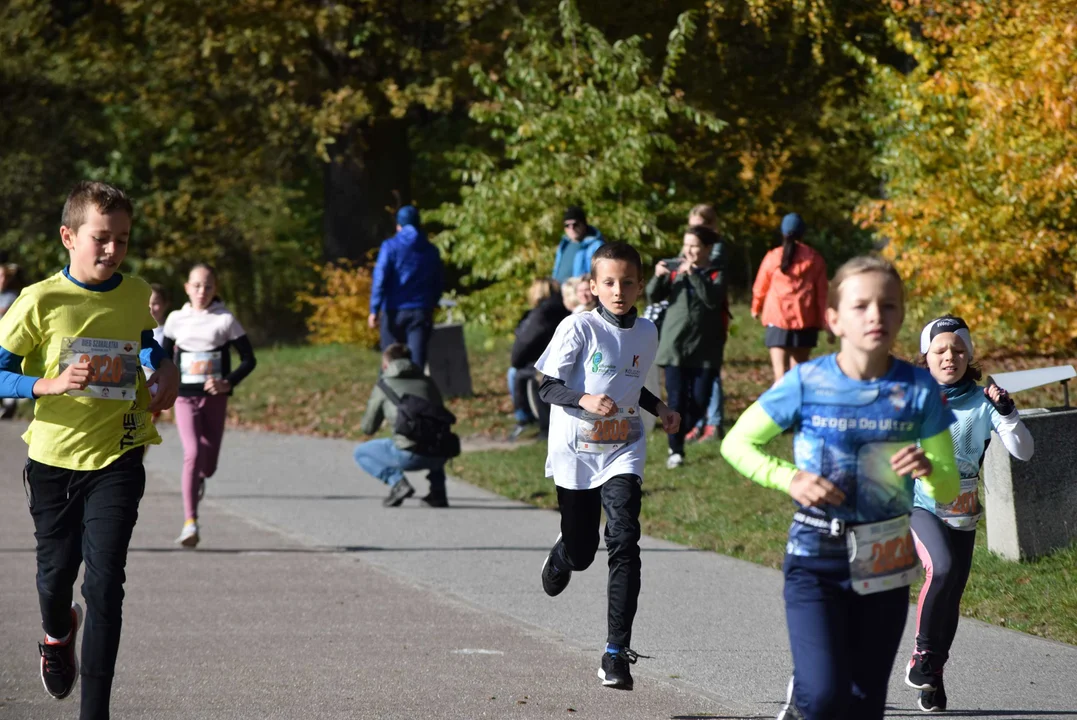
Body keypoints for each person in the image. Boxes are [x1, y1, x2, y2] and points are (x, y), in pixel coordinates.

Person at [720, 255, 960, 720]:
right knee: (825, 695)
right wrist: (788, 477)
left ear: (902, 316)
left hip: (886, 553)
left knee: (865, 703)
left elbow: (949, 489)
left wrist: (928, 466)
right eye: (862, 305)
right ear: (833, 319)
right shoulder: (806, 382)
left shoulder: (918, 389)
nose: (876, 315)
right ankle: (803, 705)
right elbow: (738, 444)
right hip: (816, 553)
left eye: (889, 306)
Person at [0, 181, 180, 719]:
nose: (112, 250)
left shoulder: (134, 292)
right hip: (54, 463)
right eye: (101, 238)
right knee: (55, 580)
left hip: (119, 456)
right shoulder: (39, 299)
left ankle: (94, 712)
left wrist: (164, 368)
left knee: (105, 585)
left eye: (122, 240)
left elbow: (148, 344)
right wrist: (48, 385)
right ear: (68, 236)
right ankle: (58, 635)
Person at [535, 241, 681, 690]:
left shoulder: (647, 331)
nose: (619, 290)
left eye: (628, 282)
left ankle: (616, 652)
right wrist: (582, 399)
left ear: (640, 284)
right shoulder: (577, 328)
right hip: (576, 451)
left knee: (624, 540)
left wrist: (661, 410)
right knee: (583, 553)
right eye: (610, 282)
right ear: (593, 286)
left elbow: (631, 387)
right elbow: (547, 388)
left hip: (624, 447)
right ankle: (565, 551)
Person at [906, 315, 1033, 712]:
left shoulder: (984, 401)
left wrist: (1009, 414)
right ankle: (922, 656)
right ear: (926, 357)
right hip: (918, 506)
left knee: (952, 595)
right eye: (940, 350)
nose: (950, 357)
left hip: (963, 515)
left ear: (969, 355)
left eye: (958, 350)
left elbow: (1024, 451)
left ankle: (934, 676)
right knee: (940, 570)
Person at [161, 264, 257, 548]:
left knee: (208, 464)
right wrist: (164, 389)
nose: (202, 291)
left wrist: (227, 382)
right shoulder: (176, 319)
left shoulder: (225, 320)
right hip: (183, 396)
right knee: (192, 453)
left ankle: (199, 479)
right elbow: (164, 359)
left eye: (208, 286)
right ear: (187, 287)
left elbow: (249, 359)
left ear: (216, 289)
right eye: (197, 285)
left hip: (215, 398)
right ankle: (190, 522)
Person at [646, 225, 727, 469]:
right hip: (674, 346)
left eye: (695, 246)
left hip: (705, 349)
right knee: (676, 400)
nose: (689, 250)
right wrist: (658, 275)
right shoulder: (675, 271)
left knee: (700, 401)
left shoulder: (716, 273)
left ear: (707, 249)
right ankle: (676, 449)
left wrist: (693, 273)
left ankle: (680, 435)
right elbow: (652, 295)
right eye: (687, 245)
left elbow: (712, 299)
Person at [354, 343, 456, 508]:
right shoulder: (429, 382)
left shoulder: (384, 385)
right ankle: (438, 492)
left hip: (409, 456)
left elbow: (367, 428)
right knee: (433, 436)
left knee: (360, 452)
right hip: (440, 454)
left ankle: (398, 483)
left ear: (386, 365)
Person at [751, 213, 829, 384]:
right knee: (798, 376)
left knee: (779, 375)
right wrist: (826, 322)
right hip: (805, 321)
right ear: (803, 233)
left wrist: (755, 307)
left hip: (776, 319)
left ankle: (779, 409)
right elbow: (822, 294)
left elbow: (760, 285)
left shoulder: (773, 257)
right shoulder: (815, 259)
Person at [368, 205, 444, 371]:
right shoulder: (431, 250)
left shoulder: (390, 246)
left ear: (398, 226)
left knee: (391, 362)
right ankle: (416, 395)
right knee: (417, 364)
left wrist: (374, 309)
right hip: (420, 311)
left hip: (394, 311)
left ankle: (389, 395)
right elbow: (438, 281)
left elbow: (380, 277)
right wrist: (432, 303)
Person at [684, 204, 730, 442]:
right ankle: (698, 422)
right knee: (694, 373)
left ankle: (714, 423)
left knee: (710, 372)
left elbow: (709, 277)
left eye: (700, 227)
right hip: (692, 320)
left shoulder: (717, 249)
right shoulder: (692, 247)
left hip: (712, 319)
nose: (695, 232)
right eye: (692, 227)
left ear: (712, 226)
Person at [509, 278, 570, 439]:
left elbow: (524, 343)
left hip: (545, 363)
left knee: (515, 373)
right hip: (557, 360)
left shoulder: (541, 314)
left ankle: (524, 418)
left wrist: (516, 361)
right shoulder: (564, 310)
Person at [552, 206, 605, 284]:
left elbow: (602, 273)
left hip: (581, 293)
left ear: (584, 225)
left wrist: (587, 277)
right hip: (559, 293)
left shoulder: (596, 245)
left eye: (575, 224)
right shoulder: (563, 245)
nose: (571, 228)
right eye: (567, 225)